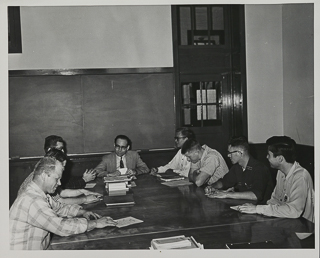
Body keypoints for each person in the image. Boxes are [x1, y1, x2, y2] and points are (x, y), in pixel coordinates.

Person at [10, 156, 117, 250]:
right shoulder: (33, 200)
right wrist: (95, 223)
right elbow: (61, 227)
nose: (59, 183)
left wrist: (83, 212)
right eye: (57, 179)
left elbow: (60, 208)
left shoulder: (40, 194)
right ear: (43, 175)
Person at [237, 136, 314, 223]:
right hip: (285, 222)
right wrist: (254, 209)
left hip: (303, 228)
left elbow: (294, 211)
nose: (266, 157)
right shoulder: (281, 172)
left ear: (280, 158)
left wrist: (258, 209)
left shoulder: (301, 176)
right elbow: (274, 201)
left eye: (269, 155)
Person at [17, 148, 102, 205]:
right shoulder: (39, 179)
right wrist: (85, 199)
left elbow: (61, 192)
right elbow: (60, 202)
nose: (63, 169)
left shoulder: (44, 175)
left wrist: (83, 191)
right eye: (62, 166)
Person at [205, 136, 274, 204]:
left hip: (261, 209)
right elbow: (224, 182)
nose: (228, 156)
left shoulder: (260, 168)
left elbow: (256, 195)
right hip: (245, 207)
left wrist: (226, 194)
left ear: (239, 153)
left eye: (230, 153)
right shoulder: (237, 167)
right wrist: (212, 187)